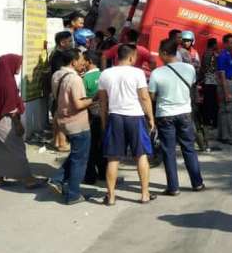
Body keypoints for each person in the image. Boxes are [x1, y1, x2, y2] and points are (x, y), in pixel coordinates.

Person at [98, 44, 156, 205]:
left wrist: (104, 121)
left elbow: (103, 102)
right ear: (131, 57)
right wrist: (151, 118)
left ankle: (111, 196)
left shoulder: (105, 74)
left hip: (115, 116)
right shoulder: (137, 73)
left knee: (113, 158)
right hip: (135, 117)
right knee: (141, 155)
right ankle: (145, 194)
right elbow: (144, 97)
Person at [148, 38, 206, 195]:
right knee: (189, 148)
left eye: (160, 52)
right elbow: (191, 85)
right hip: (185, 113)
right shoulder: (189, 68)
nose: (159, 55)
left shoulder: (156, 73)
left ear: (165, 53)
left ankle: (173, 187)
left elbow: (151, 96)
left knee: (169, 151)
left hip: (165, 115)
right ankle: (197, 183)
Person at [0, 55, 45, 189]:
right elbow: (10, 107)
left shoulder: (0, 79)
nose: (19, 67)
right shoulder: (7, 82)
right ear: (9, 64)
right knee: (17, 149)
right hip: (7, 121)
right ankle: (29, 180)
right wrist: (18, 124)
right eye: (18, 64)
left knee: (1, 150)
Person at [48, 49, 93, 204]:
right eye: (80, 59)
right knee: (79, 159)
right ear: (73, 61)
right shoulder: (75, 79)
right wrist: (94, 99)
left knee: (75, 155)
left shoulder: (57, 75)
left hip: (63, 120)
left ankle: (58, 179)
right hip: (77, 123)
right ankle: (73, 194)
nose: (83, 62)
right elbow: (79, 103)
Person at [81, 50, 106, 185]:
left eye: (83, 59)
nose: (81, 62)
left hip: (90, 117)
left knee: (90, 148)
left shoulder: (84, 79)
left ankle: (90, 176)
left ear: (89, 61)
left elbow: (82, 101)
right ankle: (103, 173)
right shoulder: (104, 75)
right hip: (105, 116)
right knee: (102, 146)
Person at [49, 30, 74, 152]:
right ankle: (59, 142)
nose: (71, 43)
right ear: (62, 42)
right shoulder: (58, 56)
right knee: (60, 116)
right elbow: (60, 74)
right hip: (59, 89)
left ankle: (57, 141)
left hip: (58, 89)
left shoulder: (58, 53)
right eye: (69, 41)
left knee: (57, 116)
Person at [216, 33, 232, 145]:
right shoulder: (223, 55)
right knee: (228, 111)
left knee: (223, 111)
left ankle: (223, 135)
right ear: (225, 43)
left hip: (230, 81)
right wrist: (226, 92)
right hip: (226, 83)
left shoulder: (230, 54)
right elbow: (221, 74)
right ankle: (228, 137)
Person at [198, 38, 220, 128]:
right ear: (213, 45)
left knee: (209, 101)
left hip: (209, 80)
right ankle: (208, 121)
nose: (217, 45)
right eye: (216, 44)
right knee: (210, 101)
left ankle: (208, 120)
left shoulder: (208, 53)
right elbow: (208, 68)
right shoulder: (210, 54)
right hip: (210, 80)